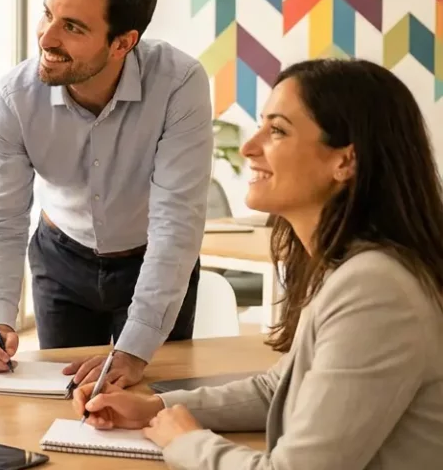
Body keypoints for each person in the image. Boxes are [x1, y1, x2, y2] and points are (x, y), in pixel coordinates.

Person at [71, 58, 443, 469]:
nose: (249, 147)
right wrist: (153, 407)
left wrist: (187, 442)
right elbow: (276, 389)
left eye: (278, 130)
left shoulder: (376, 290)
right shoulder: (351, 268)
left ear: (345, 161)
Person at [0, 0, 213, 387]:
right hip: (60, 258)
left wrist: (135, 348)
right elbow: (2, 220)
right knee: (61, 396)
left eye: (73, 27)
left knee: (149, 399)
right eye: (48, 15)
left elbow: (176, 226)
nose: (46, 38)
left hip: (149, 258)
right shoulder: (14, 96)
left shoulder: (179, 84)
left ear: (123, 42)